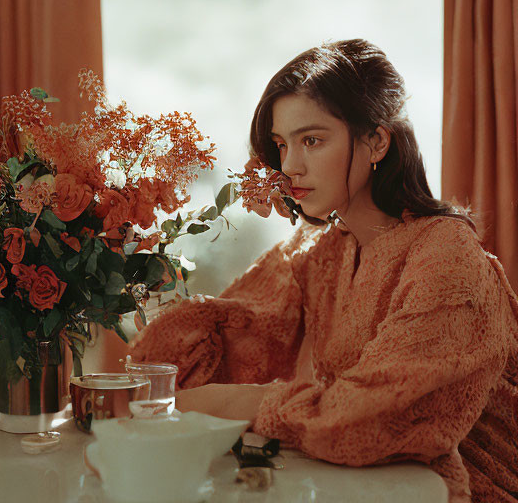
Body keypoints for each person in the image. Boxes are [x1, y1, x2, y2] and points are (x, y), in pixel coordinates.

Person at [129, 40, 518, 502]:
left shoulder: (447, 256)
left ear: (376, 141)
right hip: (367, 485)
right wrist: (136, 273)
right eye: (281, 144)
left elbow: (376, 417)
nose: (290, 166)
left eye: (311, 140)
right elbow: (223, 339)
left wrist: (237, 403)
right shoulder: (320, 252)